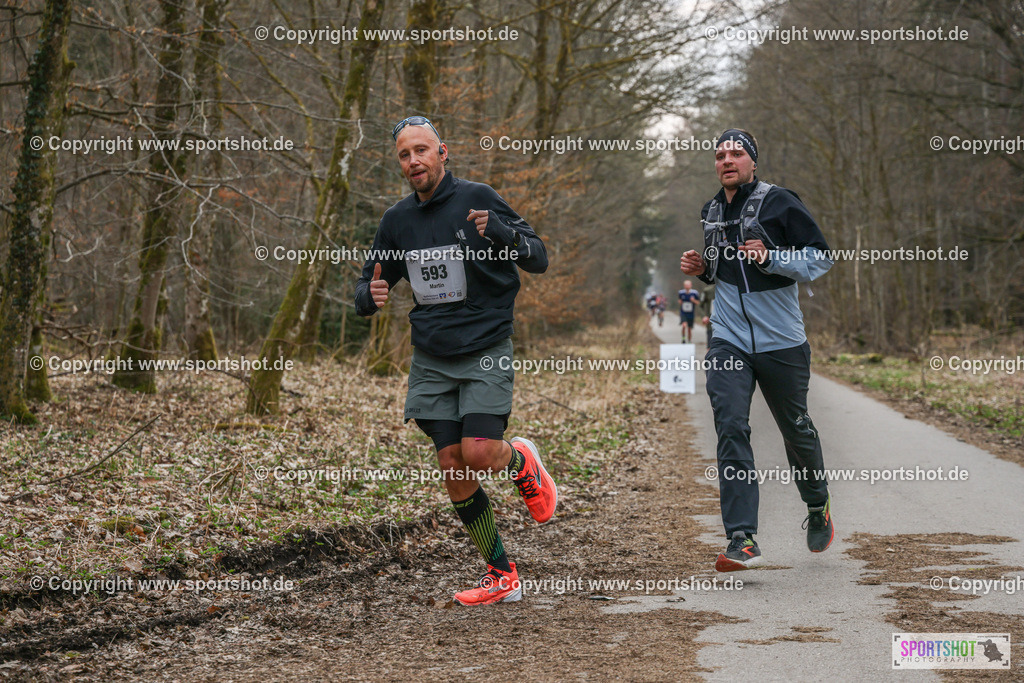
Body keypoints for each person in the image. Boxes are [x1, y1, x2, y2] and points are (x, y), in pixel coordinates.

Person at [355, 116, 556, 604]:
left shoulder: (477, 198)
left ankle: (522, 461)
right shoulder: (397, 220)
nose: (414, 161)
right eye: (405, 155)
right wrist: (368, 296)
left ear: (442, 152)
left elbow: (538, 257)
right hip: (432, 353)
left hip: (485, 345)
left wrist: (503, 233)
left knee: (479, 453)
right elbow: (369, 281)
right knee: (452, 463)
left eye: (421, 150)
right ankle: (501, 573)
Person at [680, 128, 834, 572]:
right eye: (719, 155)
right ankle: (741, 538)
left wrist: (771, 258)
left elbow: (820, 258)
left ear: (752, 161)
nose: (726, 160)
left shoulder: (780, 202)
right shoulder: (711, 210)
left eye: (736, 153)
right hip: (728, 336)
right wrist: (704, 268)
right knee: (730, 425)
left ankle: (817, 503)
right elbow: (725, 269)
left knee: (795, 428)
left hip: (781, 339)